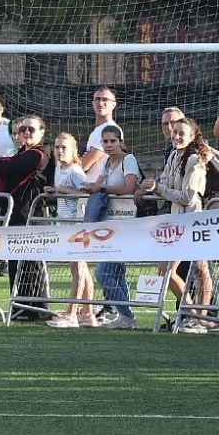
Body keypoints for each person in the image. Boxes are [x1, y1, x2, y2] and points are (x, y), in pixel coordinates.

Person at [141, 118, 215, 334]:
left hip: (192, 222)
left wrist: (159, 189)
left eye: (182, 133)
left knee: (177, 270)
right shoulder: (174, 155)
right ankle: (195, 316)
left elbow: (187, 197)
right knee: (192, 269)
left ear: (193, 136)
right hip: (177, 222)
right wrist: (152, 186)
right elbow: (164, 181)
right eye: (174, 132)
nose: (176, 136)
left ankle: (194, 316)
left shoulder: (194, 159)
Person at [0, 114, 54, 319]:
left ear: (42, 133)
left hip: (32, 214)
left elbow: (11, 167)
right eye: (23, 129)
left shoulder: (39, 153)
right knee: (15, 261)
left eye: (31, 130)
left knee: (32, 261)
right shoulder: (21, 152)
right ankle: (19, 306)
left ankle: (37, 309)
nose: (26, 133)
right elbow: (8, 166)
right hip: (16, 214)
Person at [84, 124, 140, 329]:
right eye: (105, 141)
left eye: (112, 141)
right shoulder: (107, 162)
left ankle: (126, 314)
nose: (108, 145)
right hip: (110, 225)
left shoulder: (129, 160)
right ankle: (126, 317)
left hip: (126, 224)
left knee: (103, 272)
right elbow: (96, 184)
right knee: (116, 272)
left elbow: (130, 187)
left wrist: (103, 188)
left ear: (121, 142)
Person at [46, 133, 96, 328]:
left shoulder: (75, 170)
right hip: (64, 224)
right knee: (78, 269)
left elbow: (86, 193)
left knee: (79, 269)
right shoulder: (59, 168)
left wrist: (66, 191)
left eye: (63, 147)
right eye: (57, 147)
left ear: (73, 150)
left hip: (77, 225)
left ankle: (71, 313)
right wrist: (53, 192)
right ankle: (88, 313)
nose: (59, 151)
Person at [80, 87, 120, 186]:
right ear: (92, 103)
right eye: (97, 99)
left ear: (113, 105)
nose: (100, 103)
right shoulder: (97, 131)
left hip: (100, 191)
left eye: (105, 99)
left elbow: (85, 165)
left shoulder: (110, 129)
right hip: (90, 187)